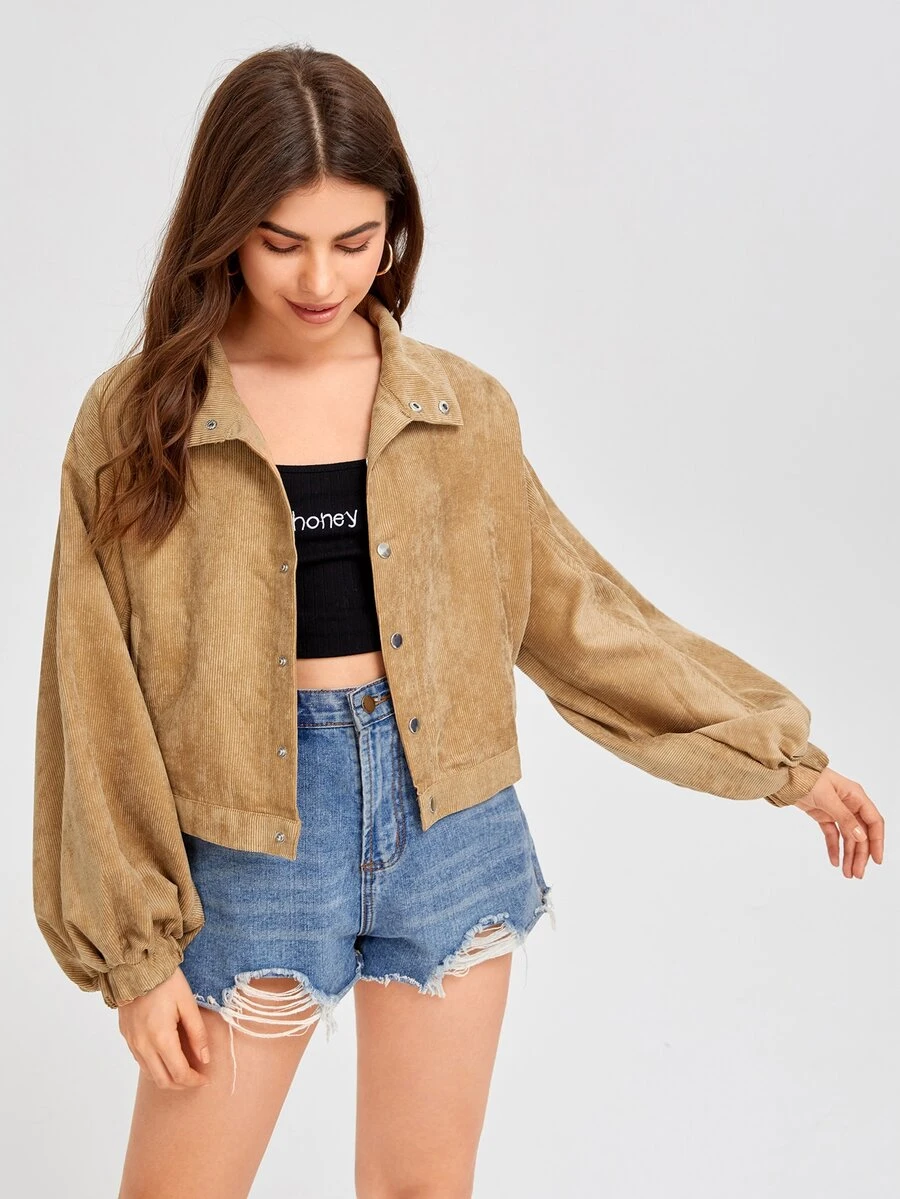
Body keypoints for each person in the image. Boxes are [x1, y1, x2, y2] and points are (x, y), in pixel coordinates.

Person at [32, 43, 883, 1199]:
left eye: (355, 239)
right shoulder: (140, 420)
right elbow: (91, 694)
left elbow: (583, 616)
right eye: (282, 241)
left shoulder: (460, 409)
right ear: (222, 228)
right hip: (247, 851)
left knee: (423, 1188)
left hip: (452, 829)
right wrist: (134, 954)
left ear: (397, 224)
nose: (321, 277)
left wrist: (783, 761)